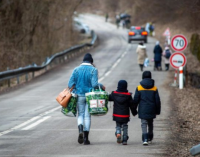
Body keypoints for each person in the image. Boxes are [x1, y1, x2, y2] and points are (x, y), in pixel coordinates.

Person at [68, 53, 105, 145]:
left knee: (80, 114)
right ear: (91, 61)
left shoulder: (76, 70)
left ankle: (80, 129)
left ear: (83, 60)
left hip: (79, 95)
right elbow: (95, 85)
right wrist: (101, 86)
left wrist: (76, 87)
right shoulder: (93, 70)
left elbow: (70, 84)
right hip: (90, 96)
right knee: (87, 116)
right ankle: (86, 139)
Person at [133, 71, 161, 146]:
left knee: (144, 123)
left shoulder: (139, 88)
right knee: (150, 123)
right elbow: (157, 100)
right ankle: (150, 136)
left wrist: (134, 110)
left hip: (143, 108)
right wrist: (158, 111)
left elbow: (136, 100)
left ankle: (145, 138)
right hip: (152, 108)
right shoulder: (154, 88)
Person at [109, 80, 137, 145]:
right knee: (125, 126)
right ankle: (124, 140)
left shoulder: (114, 94)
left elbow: (108, 98)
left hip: (116, 114)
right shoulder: (128, 95)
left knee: (118, 125)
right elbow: (132, 105)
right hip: (125, 115)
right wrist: (134, 112)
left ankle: (118, 133)